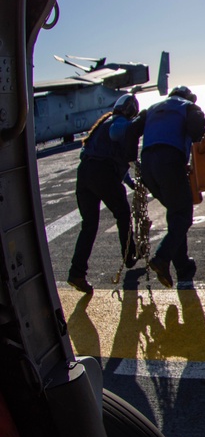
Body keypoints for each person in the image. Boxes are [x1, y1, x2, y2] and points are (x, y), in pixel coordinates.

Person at [133, 85, 205, 288]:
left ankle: (183, 267)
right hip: (170, 162)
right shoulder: (187, 107)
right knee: (183, 216)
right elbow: (196, 132)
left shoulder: (151, 109)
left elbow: (131, 131)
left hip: (148, 166)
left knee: (176, 214)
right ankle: (162, 257)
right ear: (187, 97)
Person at [66, 93, 141, 293]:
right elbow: (118, 137)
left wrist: (129, 182)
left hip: (85, 174)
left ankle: (76, 273)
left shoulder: (103, 123)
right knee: (123, 214)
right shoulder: (119, 123)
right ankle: (129, 256)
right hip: (102, 174)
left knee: (89, 226)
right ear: (131, 111)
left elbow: (111, 156)